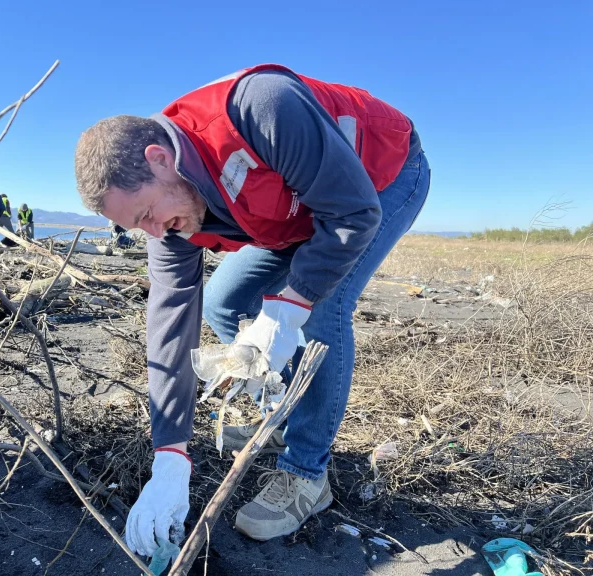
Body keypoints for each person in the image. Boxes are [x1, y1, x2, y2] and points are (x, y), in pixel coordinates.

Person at [74, 64, 430, 556]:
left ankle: (307, 474)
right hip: (294, 212)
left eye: (145, 215)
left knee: (322, 309)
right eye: (139, 228)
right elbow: (171, 330)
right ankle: (284, 420)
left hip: (381, 178)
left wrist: (292, 305)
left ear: (159, 160)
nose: (154, 233)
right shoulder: (170, 220)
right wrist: (170, 456)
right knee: (224, 302)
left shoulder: (260, 107)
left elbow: (352, 213)